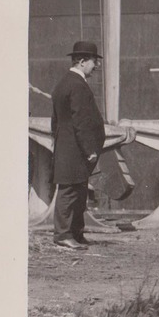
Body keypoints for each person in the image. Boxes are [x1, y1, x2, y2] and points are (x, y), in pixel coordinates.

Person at [50, 40, 106, 251]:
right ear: (82, 62)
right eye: (94, 61)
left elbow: (55, 120)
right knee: (70, 191)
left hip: (67, 146)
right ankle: (63, 235)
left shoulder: (63, 83)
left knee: (78, 189)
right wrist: (89, 149)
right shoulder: (76, 85)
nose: (96, 66)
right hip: (75, 148)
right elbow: (81, 121)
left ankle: (75, 233)